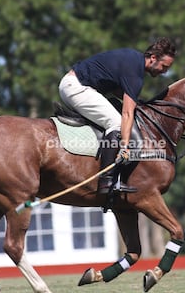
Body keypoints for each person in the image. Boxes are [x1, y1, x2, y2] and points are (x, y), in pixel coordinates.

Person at [59, 37, 176, 194]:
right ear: (153, 58)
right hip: (76, 87)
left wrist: (137, 102)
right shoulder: (135, 72)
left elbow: (115, 90)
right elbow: (127, 113)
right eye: (164, 66)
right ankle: (106, 181)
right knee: (116, 123)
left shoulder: (133, 59)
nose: (164, 72)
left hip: (74, 85)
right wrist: (125, 146)